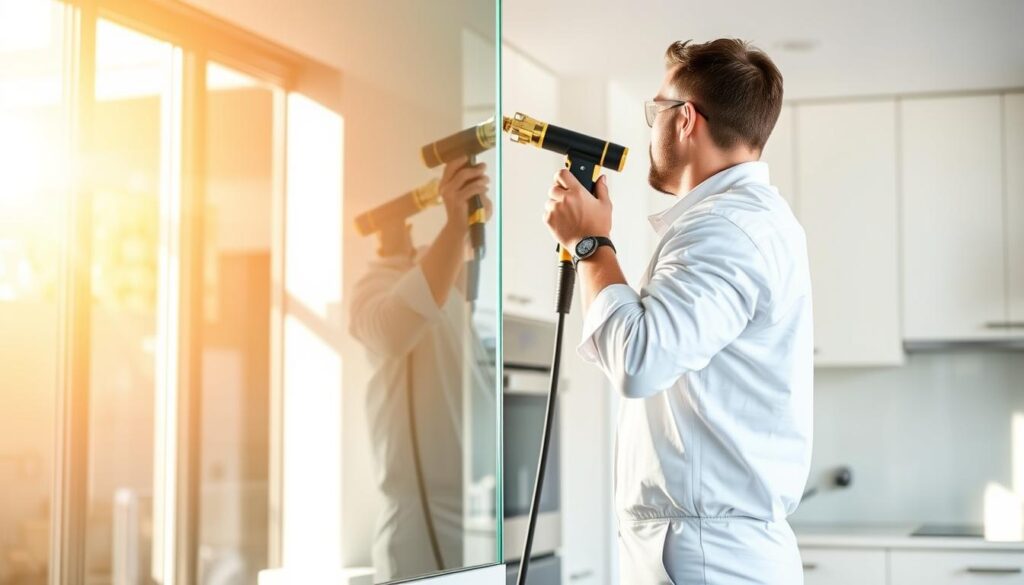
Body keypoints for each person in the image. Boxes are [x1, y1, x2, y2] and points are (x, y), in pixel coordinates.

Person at [542, 39, 813, 584]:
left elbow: (639, 359)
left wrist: (591, 244)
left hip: (710, 557)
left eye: (655, 111)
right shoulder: (738, 223)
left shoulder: (725, 231)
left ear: (685, 119)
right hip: (703, 547)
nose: (651, 130)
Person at [349, 157, 494, 581]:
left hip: (474, 513)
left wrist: (469, 213)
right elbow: (397, 325)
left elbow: (450, 266)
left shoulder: (437, 274)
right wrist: (452, 225)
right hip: (422, 530)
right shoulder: (369, 294)